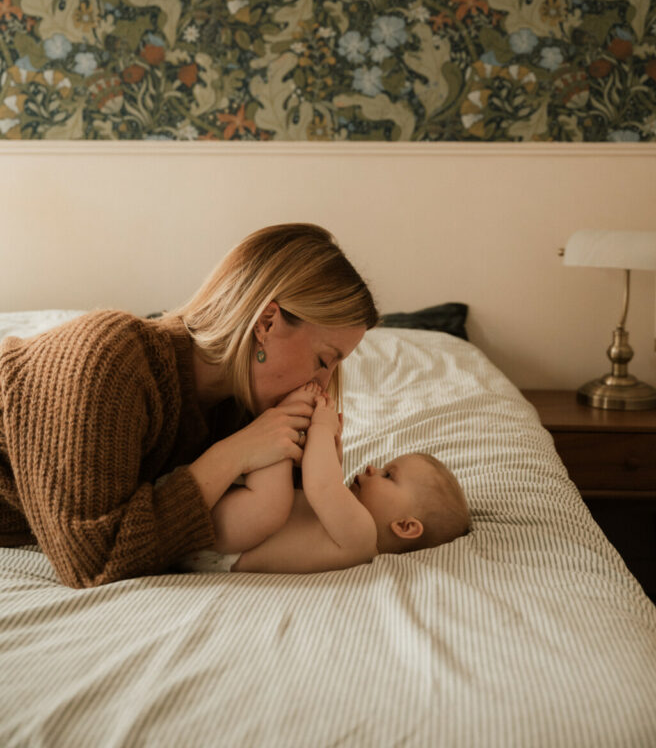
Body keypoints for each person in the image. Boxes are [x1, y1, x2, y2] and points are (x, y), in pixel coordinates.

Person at [0, 224, 378, 588]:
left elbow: (279, 523)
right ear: (266, 322)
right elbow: (94, 560)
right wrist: (232, 454)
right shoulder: (109, 359)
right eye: (324, 360)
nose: (322, 383)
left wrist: (317, 458)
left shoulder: (239, 407)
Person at [181, 385, 470, 575]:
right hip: (226, 527)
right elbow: (325, 483)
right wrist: (331, 447)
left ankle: (279, 414)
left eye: (388, 475)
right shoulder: (350, 525)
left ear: (405, 526)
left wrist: (321, 425)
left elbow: (321, 485)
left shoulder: (363, 538)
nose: (372, 468)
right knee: (274, 480)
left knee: (272, 492)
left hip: (228, 548)